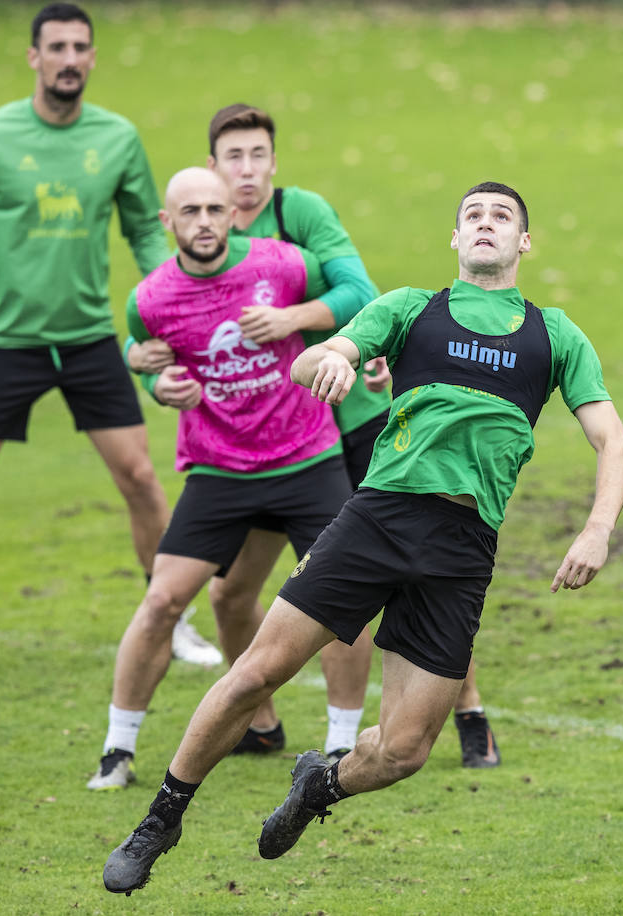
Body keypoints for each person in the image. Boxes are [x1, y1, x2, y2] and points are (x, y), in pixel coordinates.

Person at [102, 180, 623, 895]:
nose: (485, 224)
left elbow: (612, 439)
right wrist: (334, 359)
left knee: (407, 750)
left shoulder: (555, 335)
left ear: (524, 242)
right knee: (257, 672)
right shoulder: (412, 309)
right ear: (454, 238)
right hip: (379, 519)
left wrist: (598, 530)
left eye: (501, 216)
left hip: (463, 548)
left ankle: (318, 786)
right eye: (472, 215)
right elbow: (314, 358)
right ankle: (161, 819)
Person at [127, 104, 501, 767]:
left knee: (410, 574)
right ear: (210, 169)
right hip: (268, 444)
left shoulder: (298, 215)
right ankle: (262, 723)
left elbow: (360, 290)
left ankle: (469, 714)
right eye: (233, 158)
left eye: (258, 156)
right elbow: (164, 324)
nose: (246, 172)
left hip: (348, 420)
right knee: (230, 591)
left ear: (274, 161)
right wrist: (147, 364)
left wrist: (290, 318)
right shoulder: (200, 222)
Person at [0, 2, 218, 674]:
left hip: (88, 343)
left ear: (92, 58)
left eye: (82, 47)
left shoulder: (116, 138)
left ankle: (170, 616)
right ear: (34, 57)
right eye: (58, 48)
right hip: (4, 343)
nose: (71, 59)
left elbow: (145, 227)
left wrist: (173, 302)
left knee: (141, 476)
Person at [87, 166, 354, 791]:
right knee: (161, 601)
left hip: (306, 458)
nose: (204, 222)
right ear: (167, 222)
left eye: (214, 209)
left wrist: (296, 321)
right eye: (190, 212)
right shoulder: (150, 297)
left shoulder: (282, 264)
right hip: (220, 470)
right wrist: (155, 381)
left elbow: (353, 296)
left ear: (233, 214)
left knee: (347, 604)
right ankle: (117, 751)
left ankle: (341, 747)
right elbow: (144, 352)